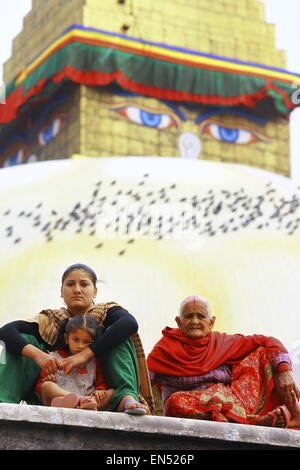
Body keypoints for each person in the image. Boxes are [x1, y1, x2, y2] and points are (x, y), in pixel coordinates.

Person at [0, 263, 154, 415]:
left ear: (95, 291)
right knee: (23, 339)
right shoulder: (50, 320)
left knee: (120, 335)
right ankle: (3, 400)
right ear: (61, 292)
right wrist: (37, 355)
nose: (77, 290)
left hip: (98, 397)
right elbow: (6, 331)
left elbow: (130, 324)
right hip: (58, 396)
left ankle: (125, 398)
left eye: (84, 284)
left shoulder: (107, 312)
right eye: (70, 284)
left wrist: (84, 354)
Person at [147, 294, 300, 428]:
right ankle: (254, 422)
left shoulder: (222, 342)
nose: (194, 321)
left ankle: (296, 414)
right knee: (175, 400)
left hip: (232, 403)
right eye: (188, 316)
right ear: (179, 322)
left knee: (263, 352)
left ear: (211, 323)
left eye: (201, 316)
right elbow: (142, 380)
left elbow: (269, 341)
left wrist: (284, 370)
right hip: (191, 408)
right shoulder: (164, 349)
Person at [35, 315, 115, 411]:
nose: (80, 346)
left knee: (112, 393)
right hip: (60, 399)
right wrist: (47, 379)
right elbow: (40, 387)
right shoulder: (54, 358)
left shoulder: (94, 362)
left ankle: (84, 405)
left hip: (88, 400)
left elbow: (101, 382)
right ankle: (78, 401)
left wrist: (100, 390)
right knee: (47, 386)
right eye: (76, 340)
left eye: (87, 342)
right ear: (66, 338)